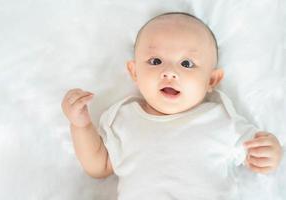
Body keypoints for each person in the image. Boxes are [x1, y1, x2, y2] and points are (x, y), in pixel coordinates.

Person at [61, 12, 283, 199]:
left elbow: (257, 155)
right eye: (155, 61)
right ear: (135, 72)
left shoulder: (222, 119)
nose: (169, 72)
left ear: (211, 81)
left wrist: (271, 152)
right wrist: (80, 125)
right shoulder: (124, 118)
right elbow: (98, 166)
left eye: (187, 64)